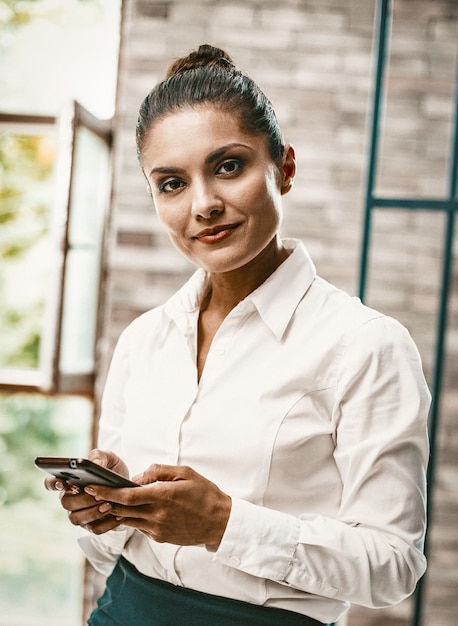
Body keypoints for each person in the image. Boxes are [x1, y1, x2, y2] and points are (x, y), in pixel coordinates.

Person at [45, 44, 430, 626]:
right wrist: (108, 511)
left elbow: (393, 564)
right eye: (171, 183)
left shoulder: (366, 346)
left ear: (285, 168)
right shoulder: (144, 340)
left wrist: (223, 523)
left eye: (228, 166)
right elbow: (109, 556)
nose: (203, 205)